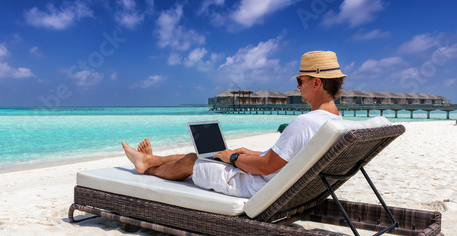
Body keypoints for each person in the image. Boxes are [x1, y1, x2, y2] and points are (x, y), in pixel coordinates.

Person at [122, 50, 346, 198]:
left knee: (192, 160)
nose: (298, 87)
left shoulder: (305, 123)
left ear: (316, 83)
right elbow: (290, 158)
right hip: (279, 182)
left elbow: (265, 167)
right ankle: (148, 160)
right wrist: (254, 153)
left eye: (300, 81)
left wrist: (235, 158)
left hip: (253, 185)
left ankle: (149, 169)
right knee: (208, 154)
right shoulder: (337, 123)